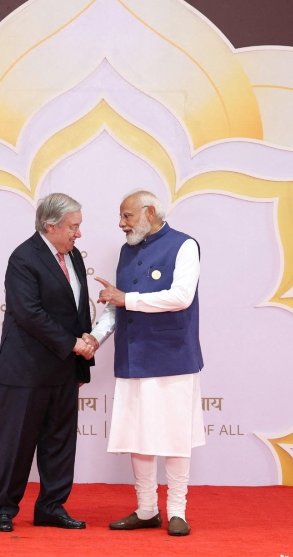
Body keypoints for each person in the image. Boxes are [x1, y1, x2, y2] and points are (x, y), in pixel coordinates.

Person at [89, 189, 204, 537]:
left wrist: (128, 299)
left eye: (127, 216)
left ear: (150, 211)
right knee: (137, 436)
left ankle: (178, 512)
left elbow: (181, 297)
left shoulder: (184, 245)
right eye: (122, 217)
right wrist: (95, 337)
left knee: (174, 435)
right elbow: (116, 303)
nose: (121, 224)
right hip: (132, 357)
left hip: (172, 356)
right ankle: (146, 509)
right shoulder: (127, 251)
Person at [0, 192, 96, 533]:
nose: (78, 234)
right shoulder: (23, 258)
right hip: (26, 369)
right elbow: (29, 314)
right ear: (50, 226)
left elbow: (78, 309)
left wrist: (85, 349)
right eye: (73, 227)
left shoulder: (73, 255)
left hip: (64, 367)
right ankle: (4, 508)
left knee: (61, 443)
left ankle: (51, 506)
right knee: (18, 443)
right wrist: (74, 345)